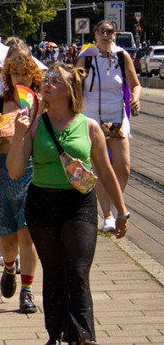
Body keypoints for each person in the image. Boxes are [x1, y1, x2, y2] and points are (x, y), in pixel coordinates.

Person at [7, 63, 129, 345]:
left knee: (77, 269)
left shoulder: (89, 126)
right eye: (46, 79)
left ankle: (83, 336)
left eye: (55, 80)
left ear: (70, 90)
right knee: (54, 271)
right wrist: (18, 136)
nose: (47, 83)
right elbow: (14, 172)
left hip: (79, 204)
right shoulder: (35, 124)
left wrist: (122, 212)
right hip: (42, 203)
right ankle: (56, 334)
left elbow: (106, 173)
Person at [0, 54, 41, 313]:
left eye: (26, 72)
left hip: (30, 173)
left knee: (27, 234)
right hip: (4, 173)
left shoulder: (39, 104)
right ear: (7, 76)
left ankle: (27, 291)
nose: (21, 77)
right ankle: (10, 267)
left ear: (33, 75)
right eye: (16, 72)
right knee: (7, 239)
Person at [74, 19, 140, 233]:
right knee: (101, 168)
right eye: (101, 31)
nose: (105, 35)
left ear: (114, 35)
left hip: (117, 117)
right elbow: (74, 83)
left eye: (109, 31)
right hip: (92, 119)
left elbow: (135, 84)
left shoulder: (122, 56)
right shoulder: (86, 57)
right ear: (95, 34)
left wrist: (136, 98)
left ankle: (112, 200)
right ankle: (108, 215)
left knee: (123, 168)